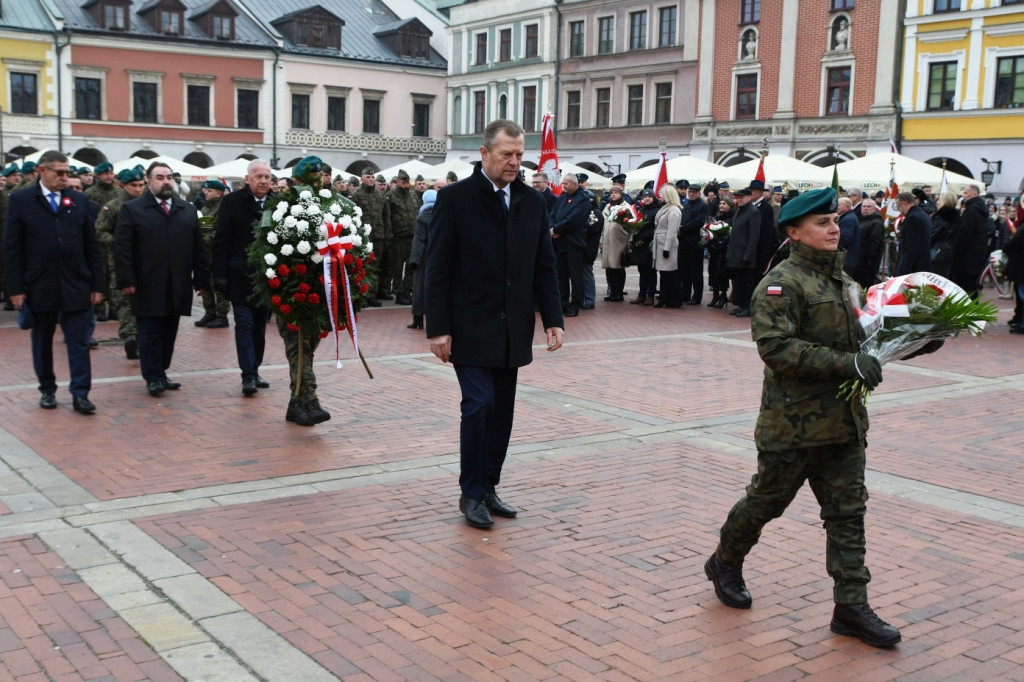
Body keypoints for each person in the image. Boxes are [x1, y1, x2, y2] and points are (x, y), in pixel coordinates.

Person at [705, 187, 916, 650]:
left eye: (834, 219)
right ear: (794, 233)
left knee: (848, 513)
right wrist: (848, 365)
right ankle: (724, 559)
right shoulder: (781, 284)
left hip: (843, 423)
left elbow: (869, 338)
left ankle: (851, 606)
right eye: (821, 222)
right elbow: (777, 349)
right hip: (793, 424)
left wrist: (921, 335)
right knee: (766, 502)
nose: (833, 227)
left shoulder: (845, 283)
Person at [424, 119, 564, 529]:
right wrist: (437, 327)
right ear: (484, 153)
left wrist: (552, 319)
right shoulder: (454, 199)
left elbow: (544, 266)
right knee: (479, 405)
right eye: (507, 154)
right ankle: (471, 492)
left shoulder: (532, 201)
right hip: (468, 325)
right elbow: (437, 268)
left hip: (512, 328)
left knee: (502, 412)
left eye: (520, 155)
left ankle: (489, 487)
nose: (515, 162)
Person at [4, 150, 104, 414]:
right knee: (42, 341)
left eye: (66, 172)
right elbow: (12, 248)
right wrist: (15, 289)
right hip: (39, 283)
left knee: (79, 341)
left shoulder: (79, 201)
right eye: (58, 172)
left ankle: (80, 393)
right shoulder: (21, 200)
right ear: (41, 171)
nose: (63, 177)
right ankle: (47, 390)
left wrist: (97, 284)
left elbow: (91, 247)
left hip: (76, 282)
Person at [114, 162, 209, 397]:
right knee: (150, 331)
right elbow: (122, 248)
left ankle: (162, 371)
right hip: (146, 282)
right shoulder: (132, 209)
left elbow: (199, 248)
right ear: (149, 181)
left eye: (169, 177)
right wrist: (127, 280)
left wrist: (203, 280)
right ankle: (153, 376)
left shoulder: (186, 209)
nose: (166, 181)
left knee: (169, 330)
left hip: (178, 282)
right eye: (160, 177)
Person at [212, 160, 274, 397]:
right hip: (239, 276)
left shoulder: (276, 203)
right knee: (245, 324)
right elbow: (221, 240)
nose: (263, 181)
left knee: (259, 327)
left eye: (267, 176)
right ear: (247, 179)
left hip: (266, 279)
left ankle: (255, 369)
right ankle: (247, 375)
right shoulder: (231, 202)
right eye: (258, 176)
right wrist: (219, 275)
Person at [95, 167, 146, 358]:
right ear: (123, 185)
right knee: (123, 300)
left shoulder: (148, 204)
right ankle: (130, 336)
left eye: (141, 185)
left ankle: (141, 337)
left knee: (145, 299)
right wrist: (120, 243)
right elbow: (100, 231)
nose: (138, 189)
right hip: (120, 260)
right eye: (133, 185)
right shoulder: (114, 206)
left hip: (145, 260)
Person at [549, 172, 591, 317]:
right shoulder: (562, 198)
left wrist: (557, 229)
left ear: (574, 184)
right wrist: (552, 228)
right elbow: (552, 215)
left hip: (574, 244)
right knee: (561, 276)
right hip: (559, 242)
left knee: (575, 277)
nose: (563, 185)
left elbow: (575, 220)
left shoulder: (583, 199)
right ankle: (563, 303)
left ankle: (576, 305)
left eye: (565, 183)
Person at [350, 169, 388, 307]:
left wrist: (387, 234)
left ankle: (372, 294)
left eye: (373, 177)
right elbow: (352, 216)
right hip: (362, 237)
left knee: (375, 267)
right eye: (368, 177)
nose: (371, 179)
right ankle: (362, 295)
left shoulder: (380, 195)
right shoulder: (357, 195)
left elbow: (386, 216)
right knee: (361, 266)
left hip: (378, 235)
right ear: (362, 179)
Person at [196, 180, 231, 329]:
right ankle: (209, 312)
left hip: (218, 253)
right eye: (205, 190)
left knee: (218, 285)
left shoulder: (224, 208)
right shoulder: (206, 208)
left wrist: (202, 239)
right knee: (206, 283)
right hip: (206, 254)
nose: (205, 192)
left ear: (219, 193)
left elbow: (221, 232)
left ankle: (222, 316)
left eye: (209, 190)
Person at [384, 168, 418, 305]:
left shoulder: (412, 196)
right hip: (397, 238)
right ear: (397, 182)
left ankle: (407, 291)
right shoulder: (390, 196)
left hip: (412, 237)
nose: (405, 185)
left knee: (411, 266)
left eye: (407, 182)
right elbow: (387, 217)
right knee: (397, 268)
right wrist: (389, 234)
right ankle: (398, 293)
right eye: (403, 182)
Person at [725, 188, 759, 317]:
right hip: (736, 253)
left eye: (741, 197)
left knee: (747, 282)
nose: (738, 199)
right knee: (739, 281)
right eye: (737, 197)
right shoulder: (739, 211)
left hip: (745, 255)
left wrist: (748, 255)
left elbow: (753, 236)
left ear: (749, 197)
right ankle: (741, 305)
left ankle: (748, 307)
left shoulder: (753, 212)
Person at [408, 188, 437, 330]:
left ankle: (418, 320)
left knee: (420, 287)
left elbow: (418, 240)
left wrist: (414, 259)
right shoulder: (441, 214)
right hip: (438, 255)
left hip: (424, 256)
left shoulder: (421, 217)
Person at [653, 184, 683, 308]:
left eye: (663, 194)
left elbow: (671, 231)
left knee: (670, 274)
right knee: (664, 274)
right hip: (661, 243)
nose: (660, 196)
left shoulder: (674, 210)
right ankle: (665, 298)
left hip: (667, 244)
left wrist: (666, 248)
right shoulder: (666, 208)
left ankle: (673, 299)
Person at [680, 183, 709, 304]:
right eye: (690, 192)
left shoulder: (702, 205)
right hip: (684, 243)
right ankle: (685, 294)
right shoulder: (686, 205)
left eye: (694, 192)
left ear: (699, 193)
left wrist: (682, 228)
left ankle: (697, 297)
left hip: (695, 243)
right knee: (685, 271)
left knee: (696, 272)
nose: (691, 194)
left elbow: (698, 222)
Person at [600, 186, 630, 301]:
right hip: (607, 240)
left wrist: (630, 240)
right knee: (609, 267)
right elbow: (602, 224)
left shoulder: (626, 207)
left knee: (618, 266)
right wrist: (601, 241)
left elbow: (631, 225)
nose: (613, 195)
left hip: (620, 240)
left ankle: (619, 292)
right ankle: (612, 291)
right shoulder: (608, 207)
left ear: (621, 194)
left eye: (616, 193)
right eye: (612, 193)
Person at [631, 189, 660, 306]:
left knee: (651, 271)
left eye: (649, 196)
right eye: (645, 196)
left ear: (653, 198)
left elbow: (656, 228)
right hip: (639, 245)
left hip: (649, 245)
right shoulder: (640, 210)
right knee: (641, 271)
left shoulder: (657, 211)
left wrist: (643, 236)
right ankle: (641, 295)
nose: (647, 198)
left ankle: (650, 296)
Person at [894, 192, 932, 277]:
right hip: (923, 265)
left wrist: (904, 271)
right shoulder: (923, 214)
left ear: (904, 204)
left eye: (898, 206)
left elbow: (911, 247)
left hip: (914, 268)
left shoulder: (912, 218)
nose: (899, 210)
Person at [707, 196, 734, 308]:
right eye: (721, 203)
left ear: (729, 206)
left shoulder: (731, 218)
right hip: (714, 250)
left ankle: (723, 296)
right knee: (713, 272)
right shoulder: (717, 217)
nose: (721, 205)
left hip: (724, 250)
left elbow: (728, 233)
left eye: (724, 204)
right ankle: (715, 295)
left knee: (722, 274)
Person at [854, 198, 885, 289]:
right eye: (863, 206)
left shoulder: (876, 222)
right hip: (860, 262)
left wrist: (869, 261)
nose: (865, 208)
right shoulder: (862, 219)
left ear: (874, 208)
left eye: (868, 206)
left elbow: (875, 243)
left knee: (867, 287)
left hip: (867, 264)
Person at [928, 191, 959, 279]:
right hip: (949, 253)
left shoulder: (941, 217)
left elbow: (932, 236)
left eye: (939, 200)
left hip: (938, 254)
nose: (937, 202)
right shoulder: (956, 216)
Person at [837, 197, 861, 279]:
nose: (836, 207)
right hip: (848, 258)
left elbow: (845, 238)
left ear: (847, 207)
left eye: (839, 205)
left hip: (847, 259)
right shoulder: (848, 217)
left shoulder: (848, 219)